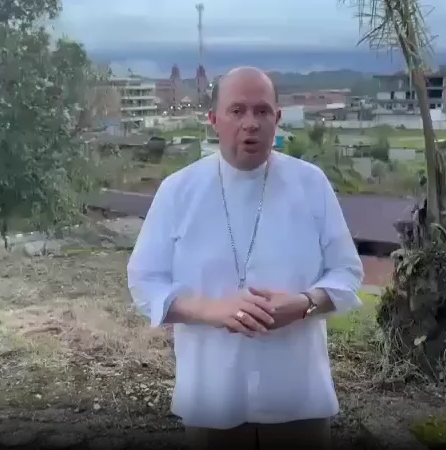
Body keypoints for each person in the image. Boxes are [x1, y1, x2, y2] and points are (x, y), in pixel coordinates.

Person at [127, 67, 364, 449]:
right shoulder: (178, 191)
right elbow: (144, 282)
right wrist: (211, 310)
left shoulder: (311, 184)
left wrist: (303, 304)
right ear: (213, 119)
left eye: (262, 111)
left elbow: (347, 271)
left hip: (297, 396)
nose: (250, 123)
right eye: (237, 111)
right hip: (211, 395)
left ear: (277, 118)